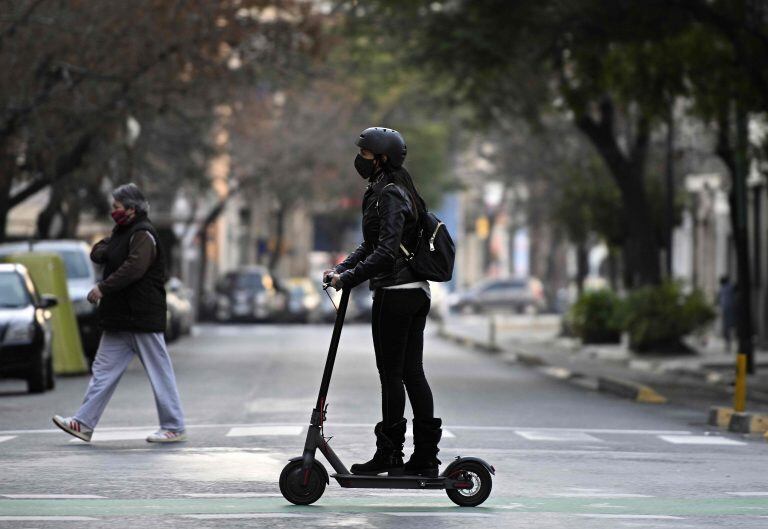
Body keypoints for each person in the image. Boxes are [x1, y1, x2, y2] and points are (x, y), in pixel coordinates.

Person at [325, 127, 442, 477]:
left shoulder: (389, 194)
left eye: (365, 155)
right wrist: (342, 269)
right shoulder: (388, 191)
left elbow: (387, 252)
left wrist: (350, 279)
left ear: (382, 159)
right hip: (414, 292)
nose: (359, 160)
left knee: (392, 375)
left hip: (397, 294)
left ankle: (390, 455)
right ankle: (423, 458)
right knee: (411, 372)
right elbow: (371, 245)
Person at [53, 183, 186, 443]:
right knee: (102, 371)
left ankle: (174, 426)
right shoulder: (123, 232)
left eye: (116, 207)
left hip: (141, 316)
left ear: (131, 209)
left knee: (159, 372)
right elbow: (98, 251)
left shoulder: (143, 235)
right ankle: (82, 424)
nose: (112, 211)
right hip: (119, 318)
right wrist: (110, 250)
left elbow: (133, 268)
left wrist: (103, 287)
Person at [717, 275, 737, 353]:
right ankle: (729, 343)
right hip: (731, 308)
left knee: (727, 327)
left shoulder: (722, 289)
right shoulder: (730, 287)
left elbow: (719, 300)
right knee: (731, 326)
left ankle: (728, 344)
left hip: (726, 309)